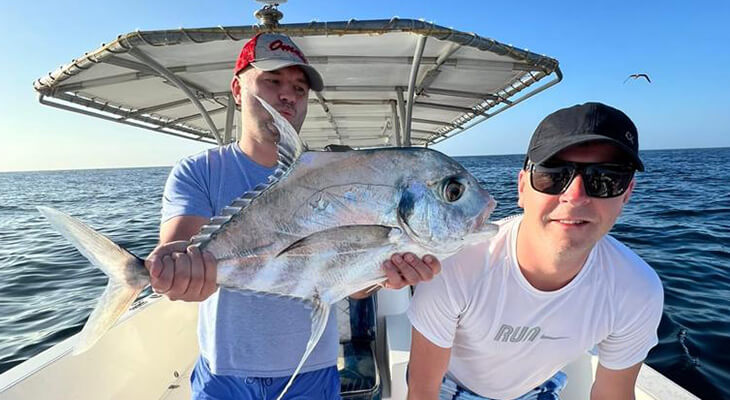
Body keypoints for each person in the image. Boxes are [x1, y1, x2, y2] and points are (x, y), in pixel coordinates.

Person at [144, 33, 441, 400]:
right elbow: (178, 253)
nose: (288, 95)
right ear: (237, 90)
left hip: (311, 371)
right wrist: (172, 271)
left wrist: (384, 274)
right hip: (224, 375)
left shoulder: (334, 177)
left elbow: (351, 282)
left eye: (300, 88)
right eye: (272, 81)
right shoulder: (200, 171)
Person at [406, 102, 664, 400]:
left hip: (538, 390)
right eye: (553, 175)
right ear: (522, 188)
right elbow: (423, 389)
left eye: (605, 179)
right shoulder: (460, 263)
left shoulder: (636, 290)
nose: (575, 196)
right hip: (450, 388)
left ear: (627, 193)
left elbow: (614, 394)